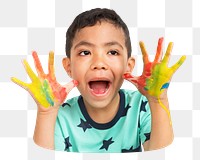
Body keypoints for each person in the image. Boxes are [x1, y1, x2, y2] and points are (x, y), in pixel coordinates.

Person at [11, 8, 186, 152]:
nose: (99, 63)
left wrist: (157, 101)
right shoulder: (60, 116)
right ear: (68, 67)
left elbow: (163, 155)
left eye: (112, 52)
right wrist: (46, 113)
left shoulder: (141, 106)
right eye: (85, 52)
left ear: (129, 65)